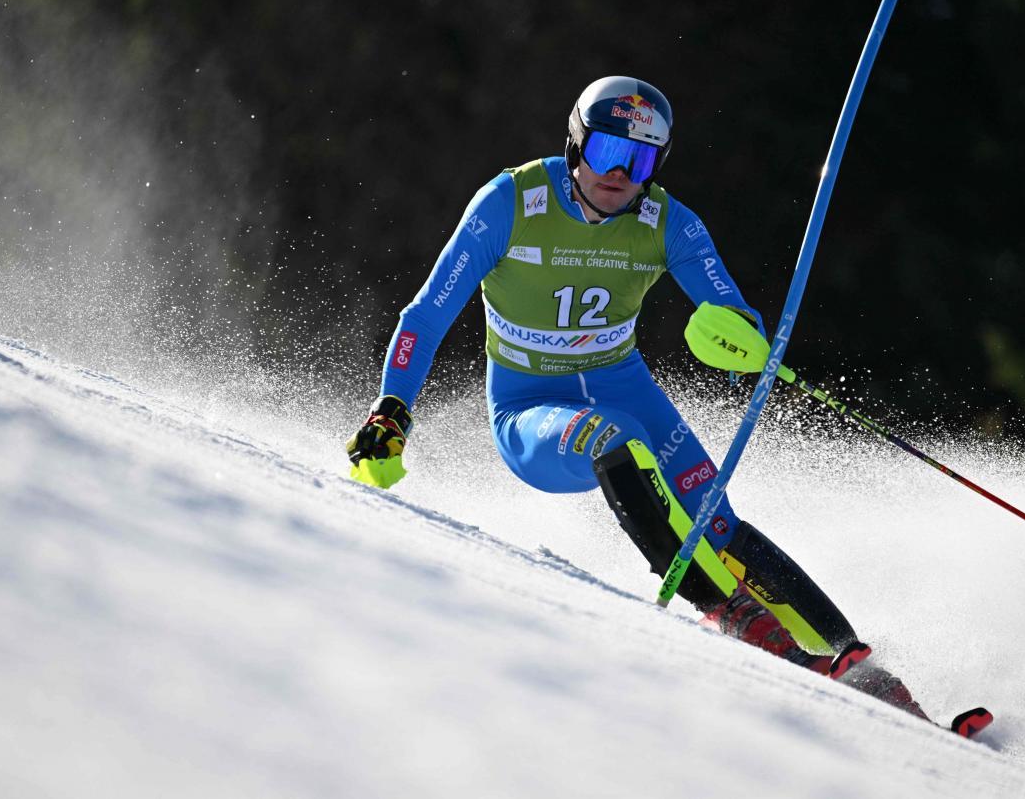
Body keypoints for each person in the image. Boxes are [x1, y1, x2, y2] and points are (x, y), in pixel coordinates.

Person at [346, 76, 917, 699]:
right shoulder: (510, 203)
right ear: (576, 145)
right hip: (530, 407)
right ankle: (728, 612)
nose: (619, 174)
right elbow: (426, 315)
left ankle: (853, 660)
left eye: (640, 161)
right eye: (607, 152)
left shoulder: (668, 223)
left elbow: (730, 310)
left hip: (622, 385)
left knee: (715, 521)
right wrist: (392, 408)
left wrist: (746, 341)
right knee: (613, 439)